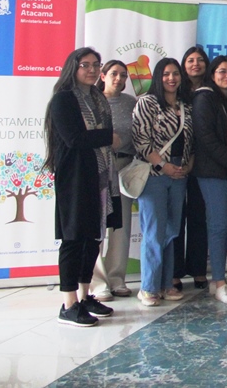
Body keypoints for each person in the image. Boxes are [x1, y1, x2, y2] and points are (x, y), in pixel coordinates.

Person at [45, 48, 119, 326]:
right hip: (75, 178)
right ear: (72, 68)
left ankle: (86, 296)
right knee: (74, 239)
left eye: (95, 65)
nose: (91, 70)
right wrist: (108, 137)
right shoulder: (63, 99)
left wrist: (105, 138)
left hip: (100, 178)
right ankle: (69, 304)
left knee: (93, 238)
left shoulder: (98, 98)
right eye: (85, 65)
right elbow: (74, 138)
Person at [132, 57, 194, 307]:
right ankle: (148, 287)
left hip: (179, 174)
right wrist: (163, 165)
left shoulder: (185, 105)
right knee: (154, 232)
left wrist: (187, 166)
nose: (171, 78)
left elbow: (192, 141)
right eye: (166, 74)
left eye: (175, 74)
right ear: (158, 77)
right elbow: (141, 141)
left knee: (172, 231)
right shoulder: (146, 102)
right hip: (154, 174)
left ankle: (167, 283)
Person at [192, 56, 227, 304]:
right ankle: (218, 283)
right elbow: (205, 137)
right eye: (222, 71)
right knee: (217, 226)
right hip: (214, 171)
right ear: (212, 74)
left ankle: (220, 279)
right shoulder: (204, 98)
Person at [89, 60, 136, 302]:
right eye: (114, 74)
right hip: (97, 168)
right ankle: (97, 283)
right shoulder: (92, 101)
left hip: (124, 167)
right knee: (96, 227)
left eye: (123, 75)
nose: (119, 79)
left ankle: (117, 278)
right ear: (103, 75)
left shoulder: (131, 103)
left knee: (121, 226)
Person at [173, 47, 209, 293]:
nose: (195, 64)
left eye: (199, 60)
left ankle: (198, 269)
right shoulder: (175, 90)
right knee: (176, 217)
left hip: (204, 162)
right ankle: (174, 272)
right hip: (177, 161)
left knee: (198, 216)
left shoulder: (211, 90)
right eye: (190, 60)